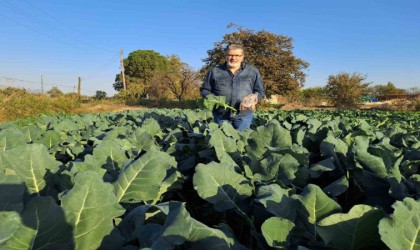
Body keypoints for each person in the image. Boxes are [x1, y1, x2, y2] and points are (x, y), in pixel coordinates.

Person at [200, 44, 265, 130]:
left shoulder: (252, 71)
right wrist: (214, 99)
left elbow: (259, 90)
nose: (233, 58)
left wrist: (253, 97)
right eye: (230, 55)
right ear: (226, 56)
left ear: (242, 57)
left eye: (237, 55)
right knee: (224, 141)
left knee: (242, 140)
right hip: (221, 115)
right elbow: (205, 89)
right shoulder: (215, 71)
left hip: (243, 116)